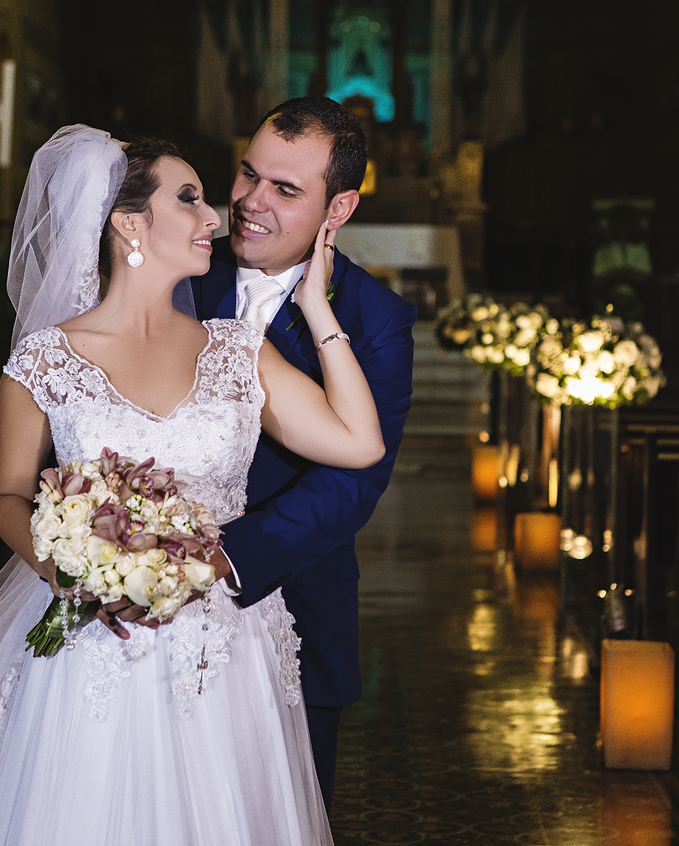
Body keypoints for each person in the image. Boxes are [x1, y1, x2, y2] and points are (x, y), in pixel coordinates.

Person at [0, 126, 384, 846]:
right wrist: (72, 574)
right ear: (127, 222)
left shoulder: (239, 350)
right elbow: (7, 494)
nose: (215, 217)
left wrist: (317, 306)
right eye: (189, 199)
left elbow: (359, 442)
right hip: (96, 644)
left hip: (226, 647)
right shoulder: (46, 360)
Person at [186, 98, 418, 809]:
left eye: (285, 190)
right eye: (249, 174)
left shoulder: (375, 318)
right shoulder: (177, 274)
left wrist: (224, 556)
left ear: (338, 208)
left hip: (293, 612)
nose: (250, 203)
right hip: (148, 603)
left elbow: (355, 481)